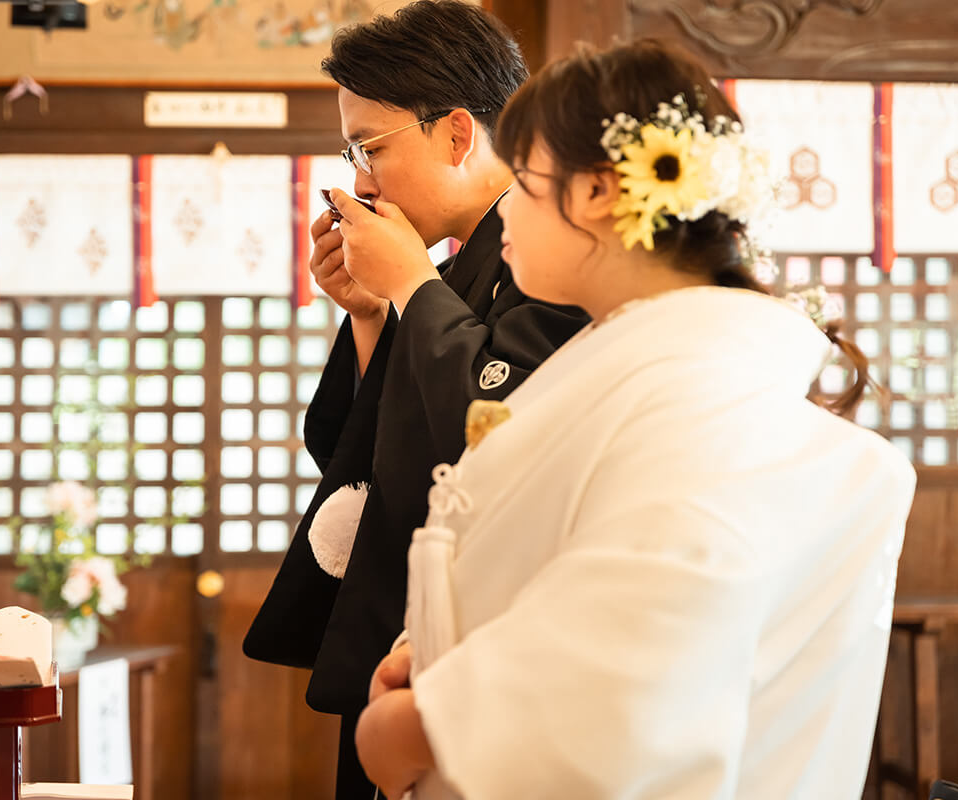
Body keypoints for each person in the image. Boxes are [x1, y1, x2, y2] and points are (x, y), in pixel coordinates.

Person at [354, 41, 917, 799]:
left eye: (521, 179)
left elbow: (622, 688)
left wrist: (412, 729)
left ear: (595, 192)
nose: (505, 205)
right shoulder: (647, 374)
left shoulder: (701, 410)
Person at [241, 2, 588, 797]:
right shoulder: (462, 261)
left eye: (370, 148)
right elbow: (371, 452)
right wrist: (370, 316)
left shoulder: (551, 244)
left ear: (458, 134)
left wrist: (404, 283)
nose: (360, 180)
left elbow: (500, 432)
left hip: (479, 640)